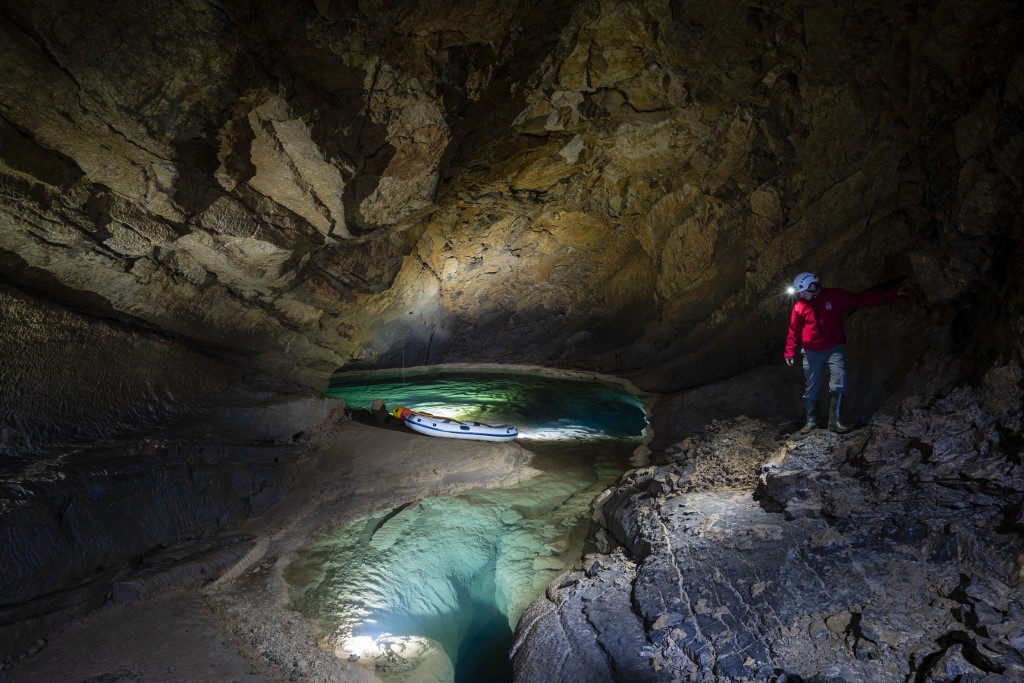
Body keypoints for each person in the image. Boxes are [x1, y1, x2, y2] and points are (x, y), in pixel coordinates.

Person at [784, 272, 902, 434]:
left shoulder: (834, 296)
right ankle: (811, 421)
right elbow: (794, 331)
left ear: (813, 286)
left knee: (839, 380)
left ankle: (834, 421)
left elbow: (862, 300)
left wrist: (893, 294)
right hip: (812, 351)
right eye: (800, 293)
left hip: (834, 348)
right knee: (812, 386)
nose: (801, 295)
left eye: (803, 291)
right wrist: (789, 352)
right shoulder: (800, 306)